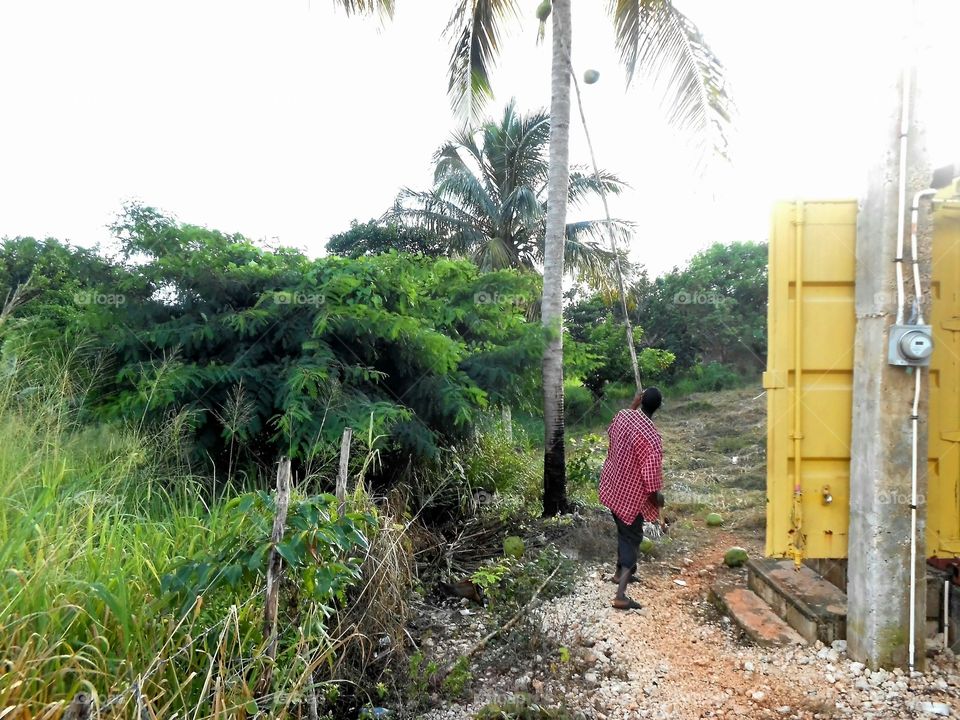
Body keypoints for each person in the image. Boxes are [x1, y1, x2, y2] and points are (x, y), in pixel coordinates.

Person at [598, 386, 665, 610]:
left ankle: (619, 574)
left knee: (623, 532)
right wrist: (657, 498)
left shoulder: (623, 416)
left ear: (640, 399)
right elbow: (651, 480)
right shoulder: (652, 438)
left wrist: (634, 404)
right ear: (659, 407)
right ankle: (620, 596)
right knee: (632, 541)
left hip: (614, 487)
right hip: (632, 499)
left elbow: (614, 430)